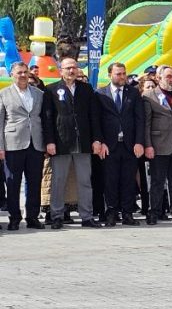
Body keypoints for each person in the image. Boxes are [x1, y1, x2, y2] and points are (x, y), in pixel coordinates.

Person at [41, 57, 103, 229]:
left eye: (74, 68)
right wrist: (49, 141)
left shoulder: (86, 89)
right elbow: (48, 119)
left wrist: (97, 139)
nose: (71, 71)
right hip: (61, 142)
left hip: (83, 142)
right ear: (60, 70)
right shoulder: (51, 90)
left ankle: (87, 216)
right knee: (58, 180)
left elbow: (94, 116)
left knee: (85, 181)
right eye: (68, 68)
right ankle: (57, 215)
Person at [95, 62, 145, 225]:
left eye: (124, 73)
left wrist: (139, 142)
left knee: (128, 180)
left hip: (129, 145)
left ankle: (127, 213)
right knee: (110, 180)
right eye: (118, 74)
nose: (122, 77)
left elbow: (140, 119)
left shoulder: (134, 93)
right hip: (109, 146)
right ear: (110, 75)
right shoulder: (100, 93)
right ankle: (111, 212)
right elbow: (97, 121)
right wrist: (101, 142)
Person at [0, 62, 46, 230]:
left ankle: (32, 217)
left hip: (36, 143)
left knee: (34, 182)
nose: (23, 75)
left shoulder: (39, 94)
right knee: (13, 182)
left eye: (25, 72)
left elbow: (44, 119)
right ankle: (14, 217)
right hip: (13, 143)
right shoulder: (4, 94)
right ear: (12, 74)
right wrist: (1, 147)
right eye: (19, 72)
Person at [143, 65, 172, 223]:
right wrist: (148, 145)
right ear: (158, 78)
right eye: (168, 77)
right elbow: (146, 123)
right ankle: (154, 212)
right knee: (157, 181)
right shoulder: (149, 96)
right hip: (158, 145)